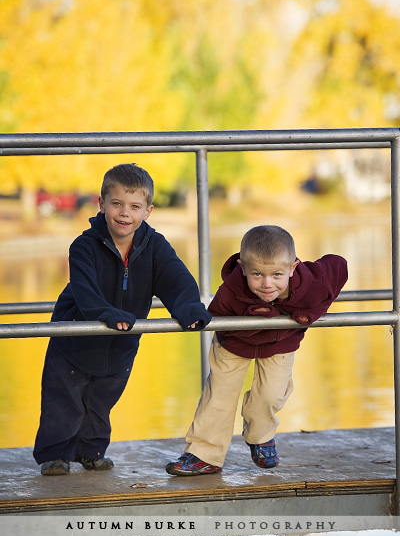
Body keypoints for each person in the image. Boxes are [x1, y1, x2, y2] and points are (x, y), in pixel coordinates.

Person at [34, 163, 212, 476]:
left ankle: (91, 452)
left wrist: (188, 307)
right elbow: (85, 291)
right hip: (75, 343)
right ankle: (55, 455)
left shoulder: (154, 247)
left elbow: (176, 279)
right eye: (116, 204)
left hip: (120, 344)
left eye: (134, 206)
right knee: (64, 402)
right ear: (101, 204)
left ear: (148, 210)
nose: (124, 213)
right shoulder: (84, 247)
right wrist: (106, 313)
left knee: (101, 402)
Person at [166, 225, 348, 476]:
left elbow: (339, 265)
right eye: (257, 274)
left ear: (293, 267)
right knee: (219, 395)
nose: (266, 284)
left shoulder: (312, 283)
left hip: (281, 341)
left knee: (271, 394)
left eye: (276, 275)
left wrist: (313, 309)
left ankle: (260, 437)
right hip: (234, 341)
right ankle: (204, 454)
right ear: (242, 268)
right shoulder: (232, 290)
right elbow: (215, 317)